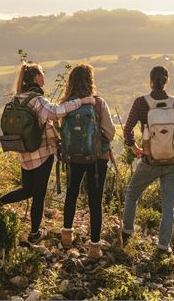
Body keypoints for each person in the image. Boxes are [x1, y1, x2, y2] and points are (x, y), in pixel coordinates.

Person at [0, 62, 95, 244]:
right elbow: (55, 113)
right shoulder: (37, 100)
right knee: (38, 195)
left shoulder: (18, 98)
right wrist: (81, 102)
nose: (44, 77)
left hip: (24, 152)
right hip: (42, 153)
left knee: (27, 189)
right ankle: (34, 233)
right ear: (37, 78)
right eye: (43, 74)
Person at [121, 65, 174, 254]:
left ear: (151, 81)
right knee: (168, 205)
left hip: (149, 161)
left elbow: (127, 129)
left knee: (131, 194)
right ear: (166, 81)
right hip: (172, 163)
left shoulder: (141, 102)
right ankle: (164, 246)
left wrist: (134, 147)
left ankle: (126, 233)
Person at [59, 64, 115, 259]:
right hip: (97, 159)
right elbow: (110, 132)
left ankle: (66, 236)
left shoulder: (66, 104)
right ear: (91, 80)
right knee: (95, 201)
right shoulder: (98, 104)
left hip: (73, 158)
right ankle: (94, 247)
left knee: (72, 194)